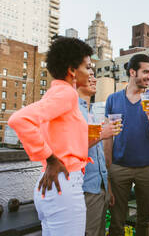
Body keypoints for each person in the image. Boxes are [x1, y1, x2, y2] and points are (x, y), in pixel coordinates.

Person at [8, 37, 94, 235]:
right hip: (64, 183)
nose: (90, 72)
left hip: (52, 185)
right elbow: (19, 119)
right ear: (72, 70)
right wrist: (51, 158)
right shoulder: (67, 94)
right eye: (87, 67)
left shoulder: (54, 94)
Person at [104, 53, 149, 236]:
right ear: (132, 72)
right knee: (116, 221)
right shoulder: (112, 99)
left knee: (145, 220)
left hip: (147, 168)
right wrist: (108, 172)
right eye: (145, 71)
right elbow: (108, 139)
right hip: (118, 168)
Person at [78, 69, 120, 236]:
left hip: (99, 189)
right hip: (85, 189)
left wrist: (107, 188)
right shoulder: (73, 110)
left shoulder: (90, 114)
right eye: (90, 75)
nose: (94, 79)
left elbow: (99, 155)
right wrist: (103, 134)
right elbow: (71, 149)